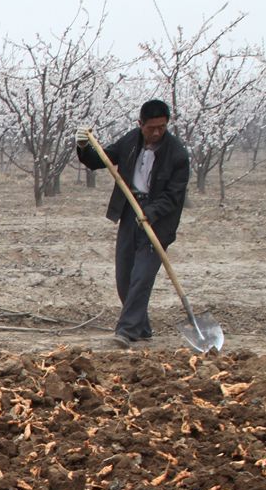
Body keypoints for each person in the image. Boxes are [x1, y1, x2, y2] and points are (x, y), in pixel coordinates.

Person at [76, 99, 190, 347]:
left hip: (158, 221)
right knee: (125, 277)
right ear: (140, 124)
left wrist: (151, 211)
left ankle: (126, 330)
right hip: (129, 213)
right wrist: (84, 147)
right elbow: (100, 160)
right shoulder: (130, 142)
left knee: (142, 275)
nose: (157, 132)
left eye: (162, 127)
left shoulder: (177, 154)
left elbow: (174, 195)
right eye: (151, 128)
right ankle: (142, 327)